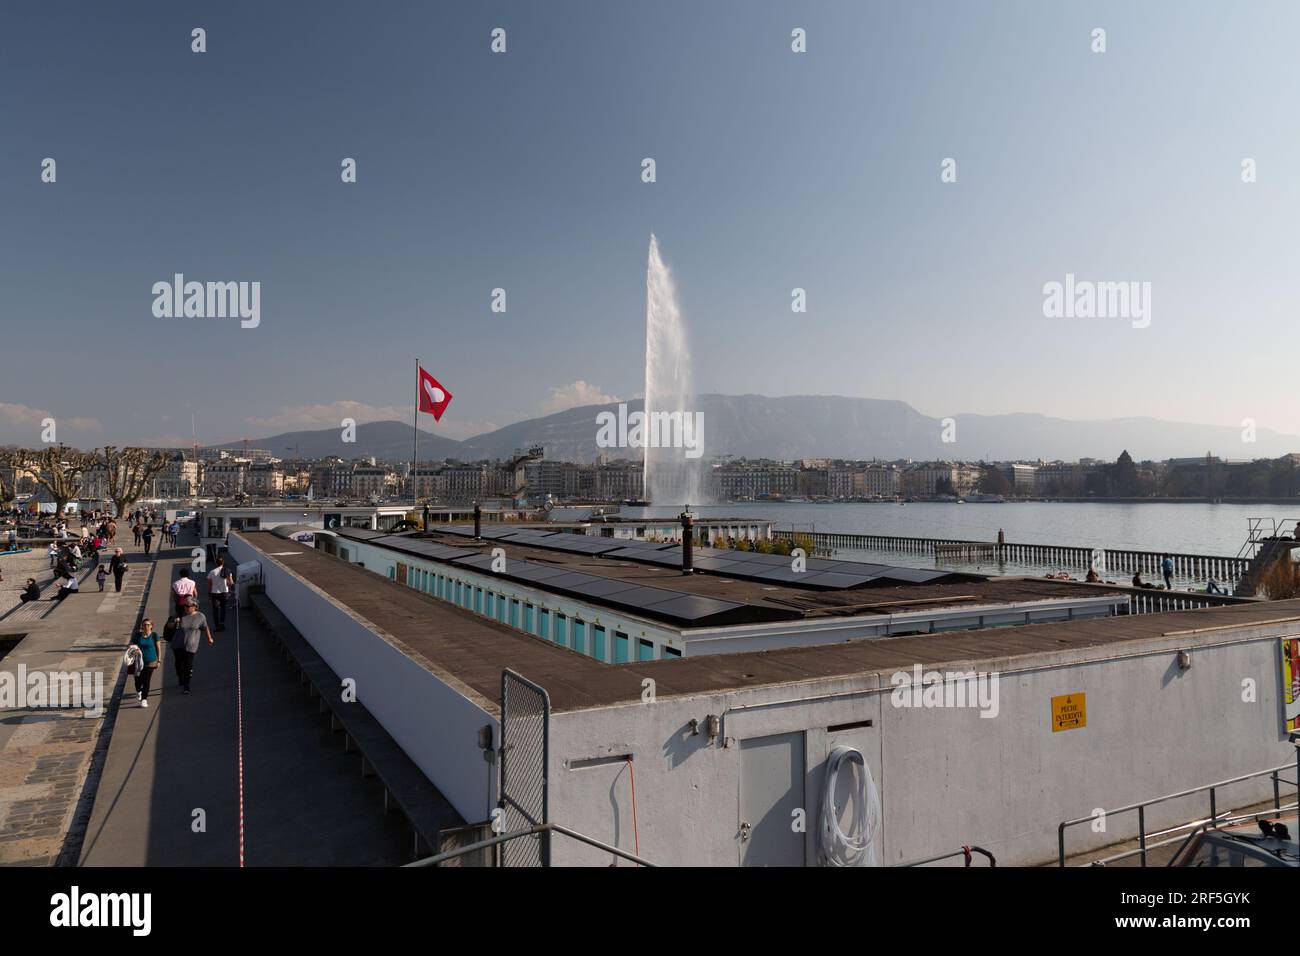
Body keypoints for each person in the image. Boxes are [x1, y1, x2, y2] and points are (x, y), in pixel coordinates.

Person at [173, 600, 214, 695]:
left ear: (195, 607)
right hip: (178, 644)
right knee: (178, 664)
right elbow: (169, 625)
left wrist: (209, 638)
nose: (186, 608)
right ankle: (180, 677)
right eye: (185, 606)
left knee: (188, 665)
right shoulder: (180, 615)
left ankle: (186, 686)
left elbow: (205, 627)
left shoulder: (200, 616)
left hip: (191, 644)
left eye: (188, 606)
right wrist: (174, 622)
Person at [131, 618, 161, 707]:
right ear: (142, 626)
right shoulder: (137, 635)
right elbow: (132, 646)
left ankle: (144, 699)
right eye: (144, 625)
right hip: (138, 662)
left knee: (146, 681)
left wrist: (159, 660)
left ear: (151, 626)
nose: (146, 626)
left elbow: (158, 648)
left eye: (148, 625)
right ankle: (138, 690)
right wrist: (134, 650)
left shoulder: (154, 635)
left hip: (151, 661)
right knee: (138, 680)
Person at [207, 559, 234, 631]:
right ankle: (222, 623)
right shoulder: (227, 571)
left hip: (215, 593)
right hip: (224, 592)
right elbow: (231, 582)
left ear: (216, 563)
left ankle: (217, 626)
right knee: (223, 608)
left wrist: (209, 593)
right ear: (223, 562)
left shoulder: (212, 572)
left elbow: (209, 584)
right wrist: (228, 586)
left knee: (215, 610)